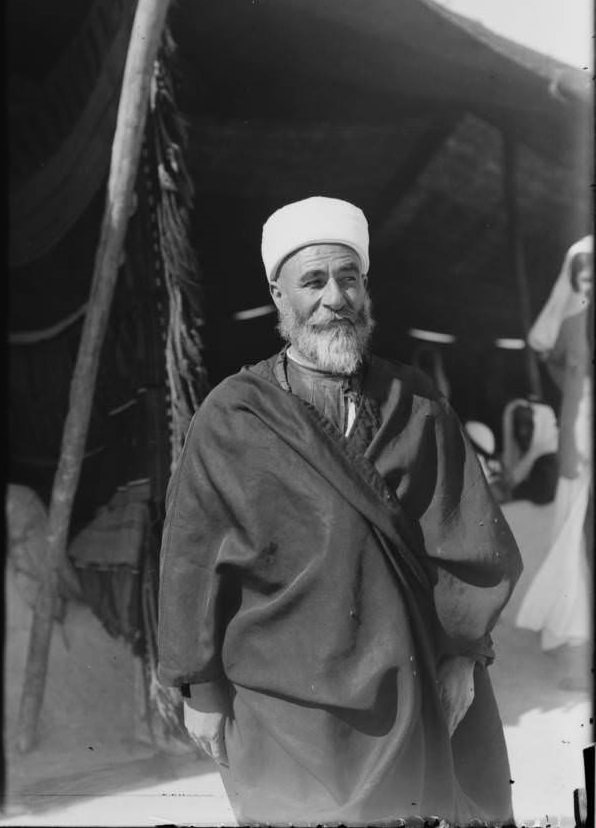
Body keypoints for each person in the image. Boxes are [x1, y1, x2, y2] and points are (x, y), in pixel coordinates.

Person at [158, 196, 522, 824]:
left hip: (407, 691)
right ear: (279, 295)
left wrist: (463, 654)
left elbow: (466, 538)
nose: (335, 298)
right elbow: (193, 557)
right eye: (314, 281)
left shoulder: (417, 402)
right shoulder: (231, 415)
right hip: (279, 698)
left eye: (348, 278)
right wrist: (202, 689)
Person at [515, 236, 593, 675]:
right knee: (572, 529)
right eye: (582, 274)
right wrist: (572, 423)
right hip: (579, 434)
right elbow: (555, 361)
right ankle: (569, 634)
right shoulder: (571, 322)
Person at [500, 399, 559, 505]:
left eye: (529, 425)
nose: (522, 432)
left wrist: (508, 494)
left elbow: (543, 494)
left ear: (541, 426)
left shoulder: (549, 461)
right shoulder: (525, 459)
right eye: (518, 425)